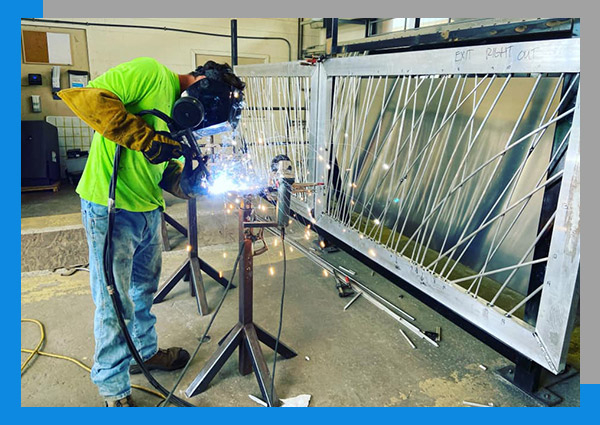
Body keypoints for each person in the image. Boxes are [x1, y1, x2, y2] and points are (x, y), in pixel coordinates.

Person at [58, 57, 244, 407]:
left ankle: (142, 353)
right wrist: (145, 139)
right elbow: (87, 97)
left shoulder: (179, 117)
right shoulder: (150, 72)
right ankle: (113, 387)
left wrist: (189, 183)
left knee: (143, 289)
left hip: (146, 209)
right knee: (115, 298)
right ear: (199, 85)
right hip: (109, 204)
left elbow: (166, 171)